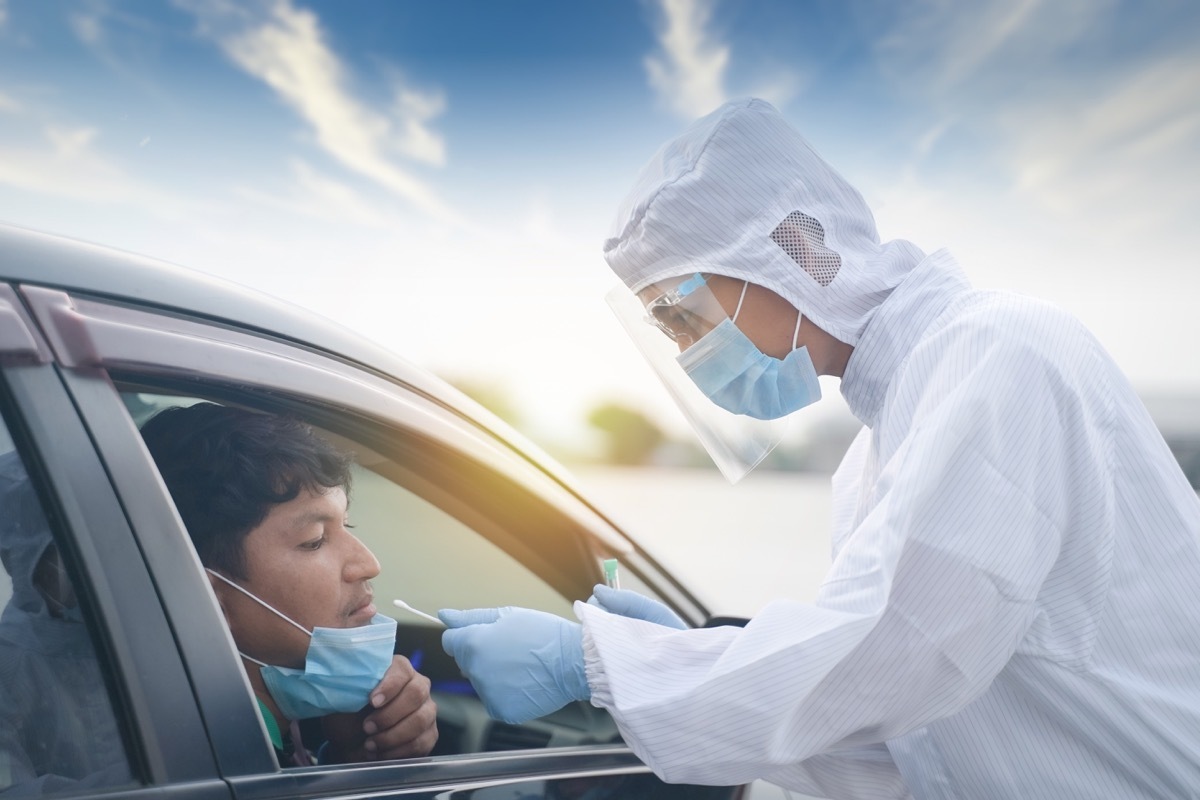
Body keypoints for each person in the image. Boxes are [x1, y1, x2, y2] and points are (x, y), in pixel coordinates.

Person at [438, 98, 1200, 798]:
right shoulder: (874, 459)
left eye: (681, 315)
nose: (684, 353)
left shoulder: (997, 355)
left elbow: (893, 656)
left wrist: (601, 664)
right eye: (667, 329)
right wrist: (685, 660)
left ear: (792, 247)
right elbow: (895, 742)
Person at [140, 403, 437, 766]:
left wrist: (354, 757)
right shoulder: (200, 761)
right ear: (207, 599)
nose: (368, 565)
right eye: (314, 540)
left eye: (347, 526)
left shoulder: (253, 738)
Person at [0, 451, 134, 796]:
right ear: (13, 556)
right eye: (63, 552)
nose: (88, 568)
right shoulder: (10, 666)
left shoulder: (140, 631)